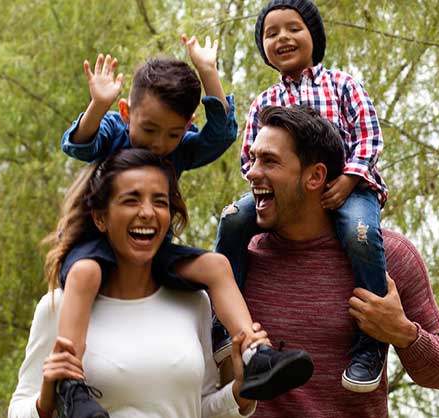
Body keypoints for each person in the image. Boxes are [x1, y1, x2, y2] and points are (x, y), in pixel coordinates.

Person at [55, 38, 311, 416]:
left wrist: (209, 74)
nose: (159, 144)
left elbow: (220, 136)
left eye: (173, 134)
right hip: (94, 245)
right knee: (86, 273)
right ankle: (71, 386)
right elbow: (78, 145)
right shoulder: (115, 130)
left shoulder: (179, 149)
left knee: (217, 265)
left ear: (187, 126)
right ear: (126, 112)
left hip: (152, 251)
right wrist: (98, 105)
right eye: (150, 130)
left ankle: (255, 353)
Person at [9, 149, 268, 418]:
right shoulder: (59, 307)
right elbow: (17, 410)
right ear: (100, 218)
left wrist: (240, 392)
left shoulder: (194, 302)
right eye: (131, 200)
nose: (147, 212)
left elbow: (199, 407)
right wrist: (45, 400)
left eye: (160, 202)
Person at [237, 106, 439, 418]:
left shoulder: (389, 256)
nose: (251, 172)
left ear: (315, 176)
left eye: (269, 161)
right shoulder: (238, 259)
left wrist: (402, 332)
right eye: (254, 159)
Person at [216, 0, 389, 392]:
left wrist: (349, 178)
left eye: (293, 28)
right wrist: (264, 182)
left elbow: (369, 137)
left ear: (314, 36)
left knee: (360, 234)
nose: (283, 38)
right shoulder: (264, 102)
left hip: (349, 187)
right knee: (233, 218)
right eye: (271, 33)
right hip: (283, 192)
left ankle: (370, 342)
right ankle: (222, 321)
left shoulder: (342, 84)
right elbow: (249, 160)